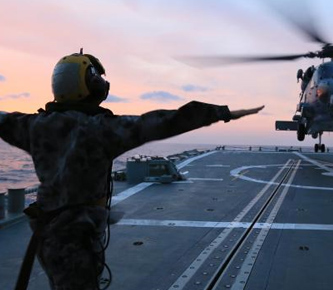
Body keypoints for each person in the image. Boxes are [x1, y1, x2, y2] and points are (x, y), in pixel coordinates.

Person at [0, 51, 264, 290]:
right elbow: (163, 121)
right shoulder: (101, 130)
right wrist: (222, 112)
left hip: (47, 233)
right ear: (90, 86)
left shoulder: (32, 126)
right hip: (77, 238)